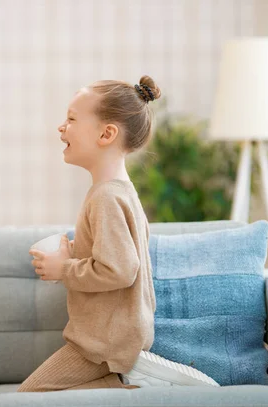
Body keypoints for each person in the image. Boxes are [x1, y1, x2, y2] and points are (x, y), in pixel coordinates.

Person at [20, 76, 219, 391]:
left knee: (30, 395)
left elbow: (120, 269)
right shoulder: (118, 192)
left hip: (102, 342)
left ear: (106, 133)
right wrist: (75, 253)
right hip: (112, 338)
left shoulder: (106, 197)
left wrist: (64, 269)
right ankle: (129, 380)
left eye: (71, 119)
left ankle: (141, 377)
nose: (61, 127)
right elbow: (116, 255)